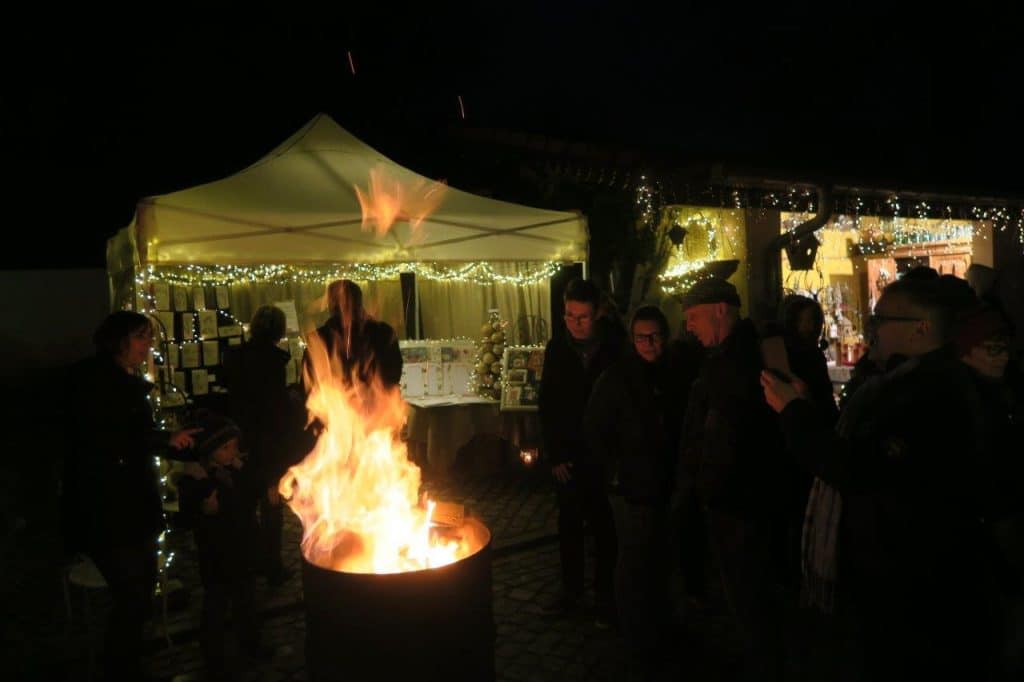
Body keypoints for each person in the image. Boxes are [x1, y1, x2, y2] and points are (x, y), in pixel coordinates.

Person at [761, 277, 999, 680]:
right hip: (897, 572)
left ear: (920, 328)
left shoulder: (929, 392)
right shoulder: (901, 381)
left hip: (912, 580)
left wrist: (794, 415)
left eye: (882, 319)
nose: (872, 330)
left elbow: (858, 467)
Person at [62, 311, 199, 679]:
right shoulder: (95, 383)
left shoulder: (125, 380)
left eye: (149, 337)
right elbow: (106, 440)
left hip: (131, 504)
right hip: (109, 507)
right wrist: (160, 441)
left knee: (139, 592)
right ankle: (118, 667)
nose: (148, 345)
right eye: (141, 337)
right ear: (119, 340)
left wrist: (171, 443)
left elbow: (134, 438)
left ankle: (128, 661)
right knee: (133, 596)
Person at [676, 277, 786, 681]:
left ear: (721, 310)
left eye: (693, 317)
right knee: (743, 594)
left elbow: (733, 437)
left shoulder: (740, 361)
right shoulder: (726, 356)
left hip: (740, 501)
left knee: (749, 596)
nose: (688, 326)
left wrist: (706, 486)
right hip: (733, 498)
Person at [585, 305, 681, 678]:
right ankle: (637, 636)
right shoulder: (616, 380)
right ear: (632, 339)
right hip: (629, 486)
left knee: (659, 557)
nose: (649, 343)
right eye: (642, 337)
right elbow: (595, 430)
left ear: (665, 336)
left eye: (655, 336)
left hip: (665, 483)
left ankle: (660, 625)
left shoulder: (674, 374)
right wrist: (616, 468)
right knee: (633, 561)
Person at [537, 278, 624, 626]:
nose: (575, 323)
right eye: (569, 315)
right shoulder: (557, 349)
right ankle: (571, 592)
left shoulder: (614, 347)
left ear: (597, 313)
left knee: (605, 528)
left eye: (582, 317)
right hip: (569, 456)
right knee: (569, 525)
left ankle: (606, 595)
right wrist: (555, 454)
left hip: (603, 454)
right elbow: (548, 403)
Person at [177, 410, 274, 677]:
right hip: (216, 556)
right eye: (225, 448)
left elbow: (254, 487)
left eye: (234, 446)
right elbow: (186, 517)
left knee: (247, 602)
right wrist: (204, 511)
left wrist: (266, 487)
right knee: (216, 607)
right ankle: (213, 656)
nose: (232, 452)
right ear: (209, 451)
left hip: (243, 549)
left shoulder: (238, 469)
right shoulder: (196, 480)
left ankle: (250, 645)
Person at [223, 305, 300, 587]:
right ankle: (272, 565)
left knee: (244, 505)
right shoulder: (273, 361)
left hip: (241, 440)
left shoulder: (235, 357)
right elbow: (274, 409)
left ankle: (249, 560)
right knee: (271, 505)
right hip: (267, 444)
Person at [304, 279, 402, 390]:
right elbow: (393, 373)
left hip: (334, 404)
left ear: (331, 304)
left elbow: (308, 383)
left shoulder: (319, 339)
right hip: (379, 403)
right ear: (359, 301)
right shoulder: (384, 332)